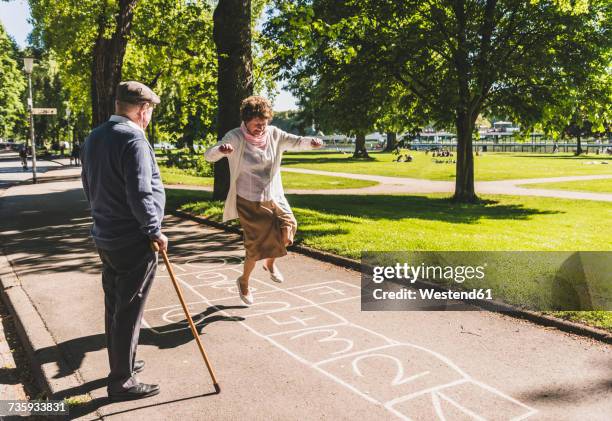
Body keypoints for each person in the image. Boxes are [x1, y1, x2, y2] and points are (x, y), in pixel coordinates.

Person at [81, 81, 166, 401]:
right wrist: (154, 230)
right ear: (143, 110)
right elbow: (141, 191)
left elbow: (88, 185)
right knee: (129, 309)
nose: (150, 118)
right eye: (150, 112)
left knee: (115, 305)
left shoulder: (94, 137)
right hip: (132, 238)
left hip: (105, 234)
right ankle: (121, 380)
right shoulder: (133, 139)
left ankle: (123, 363)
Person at [204, 96, 324, 305]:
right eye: (257, 124)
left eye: (265, 122)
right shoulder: (235, 137)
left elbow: (296, 141)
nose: (262, 127)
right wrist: (221, 151)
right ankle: (244, 281)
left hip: (273, 195)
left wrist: (312, 143)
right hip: (249, 200)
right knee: (256, 246)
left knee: (289, 229)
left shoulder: (274, 134)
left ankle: (270, 263)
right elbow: (209, 155)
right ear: (246, 120)